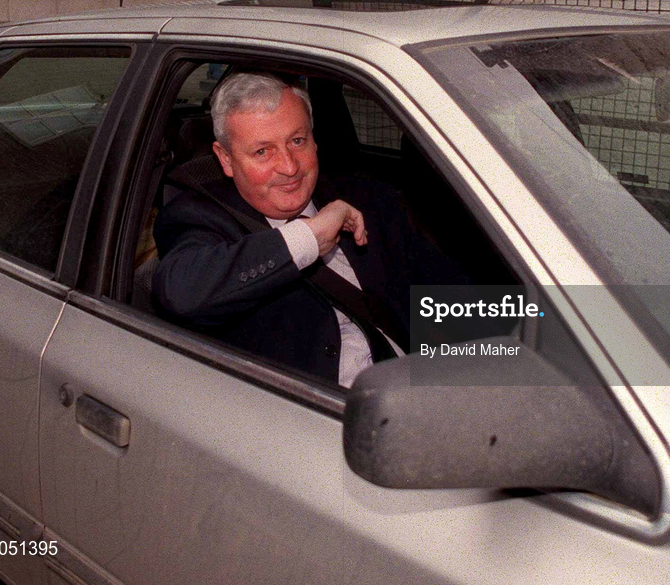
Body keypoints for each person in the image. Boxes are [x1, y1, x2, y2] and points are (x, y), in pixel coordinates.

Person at [152, 72, 459, 386]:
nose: (289, 167)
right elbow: (182, 293)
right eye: (262, 151)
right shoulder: (198, 217)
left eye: (297, 141)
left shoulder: (369, 198)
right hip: (317, 416)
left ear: (314, 139)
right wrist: (310, 237)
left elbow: (453, 298)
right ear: (226, 159)